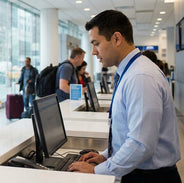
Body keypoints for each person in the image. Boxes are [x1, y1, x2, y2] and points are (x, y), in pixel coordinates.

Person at [68, 10, 181, 183]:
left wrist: (97, 171)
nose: (93, 52)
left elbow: (140, 144)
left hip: (150, 178)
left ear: (116, 38)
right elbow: (128, 132)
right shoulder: (131, 72)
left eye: (96, 43)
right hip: (138, 172)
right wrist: (106, 156)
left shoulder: (140, 77)